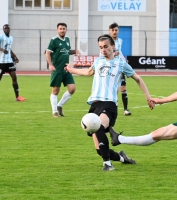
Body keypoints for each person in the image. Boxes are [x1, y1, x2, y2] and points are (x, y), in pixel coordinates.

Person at [65, 34, 155, 171]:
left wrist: (148, 97)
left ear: (113, 46)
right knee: (100, 150)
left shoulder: (121, 64)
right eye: (101, 47)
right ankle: (121, 158)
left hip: (109, 104)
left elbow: (138, 79)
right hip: (95, 105)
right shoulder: (98, 62)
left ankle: (107, 164)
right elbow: (88, 72)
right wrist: (72, 70)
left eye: (106, 47)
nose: (103, 50)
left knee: (99, 127)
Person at [45, 22, 80, 118]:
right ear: (57, 30)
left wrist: (75, 51)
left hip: (66, 68)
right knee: (56, 90)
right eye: (60, 29)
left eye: (64, 28)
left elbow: (66, 51)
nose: (62, 30)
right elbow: (47, 53)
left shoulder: (67, 39)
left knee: (72, 89)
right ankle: (54, 112)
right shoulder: (54, 40)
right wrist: (50, 65)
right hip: (57, 69)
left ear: (66, 30)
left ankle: (59, 105)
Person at [0, 24, 26, 102]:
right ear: (3, 29)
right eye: (5, 28)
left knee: (14, 77)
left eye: (8, 28)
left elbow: (9, 49)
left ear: (10, 29)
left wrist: (14, 56)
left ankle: (17, 97)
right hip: (1, 62)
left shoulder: (11, 38)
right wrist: (2, 49)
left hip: (9, 61)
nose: (7, 29)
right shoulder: (1, 37)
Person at [107, 22, 131, 116]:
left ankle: (126, 109)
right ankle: (113, 107)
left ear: (118, 31)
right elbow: (102, 54)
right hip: (111, 67)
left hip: (120, 66)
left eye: (116, 30)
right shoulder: (106, 41)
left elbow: (119, 52)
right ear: (109, 31)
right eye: (112, 30)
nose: (114, 32)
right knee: (113, 88)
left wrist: (124, 60)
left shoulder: (120, 41)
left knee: (123, 88)